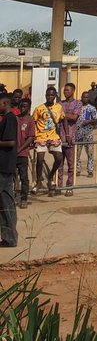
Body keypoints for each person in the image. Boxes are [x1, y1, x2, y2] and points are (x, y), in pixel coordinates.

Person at [33, 86, 64, 196]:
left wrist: (67, 134)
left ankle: (50, 176)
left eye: (52, 95)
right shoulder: (39, 108)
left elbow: (63, 119)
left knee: (59, 158)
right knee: (40, 159)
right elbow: (34, 122)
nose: (49, 97)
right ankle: (38, 181)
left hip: (53, 136)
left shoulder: (59, 107)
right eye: (48, 95)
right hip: (41, 136)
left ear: (55, 96)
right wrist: (33, 137)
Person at [0, 91, 18, 246]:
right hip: (5, 166)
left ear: (5, 103)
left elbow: (10, 142)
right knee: (5, 203)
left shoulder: (10, 118)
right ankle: (9, 238)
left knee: (6, 203)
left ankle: (10, 237)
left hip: (4, 167)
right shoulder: (7, 118)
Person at [58, 82, 82, 195]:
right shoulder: (60, 103)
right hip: (59, 137)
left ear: (73, 91)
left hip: (70, 137)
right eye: (64, 90)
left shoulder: (78, 103)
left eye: (67, 90)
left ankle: (69, 186)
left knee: (70, 164)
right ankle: (59, 185)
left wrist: (63, 115)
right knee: (59, 163)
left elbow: (74, 117)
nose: (65, 92)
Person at [15, 97, 35, 208]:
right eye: (21, 106)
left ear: (28, 108)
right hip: (12, 153)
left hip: (22, 154)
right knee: (11, 176)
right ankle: (12, 195)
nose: (23, 108)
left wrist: (20, 148)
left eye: (25, 106)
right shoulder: (15, 119)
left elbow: (30, 138)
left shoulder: (30, 121)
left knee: (24, 177)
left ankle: (24, 198)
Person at [76, 91, 97, 177]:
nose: (85, 99)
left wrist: (89, 121)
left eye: (87, 97)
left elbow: (96, 120)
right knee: (77, 154)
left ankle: (90, 170)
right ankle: (77, 170)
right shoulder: (77, 107)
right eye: (83, 97)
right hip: (78, 134)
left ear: (88, 98)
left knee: (90, 153)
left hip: (88, 134)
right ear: (81, 97)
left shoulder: (92, 108)